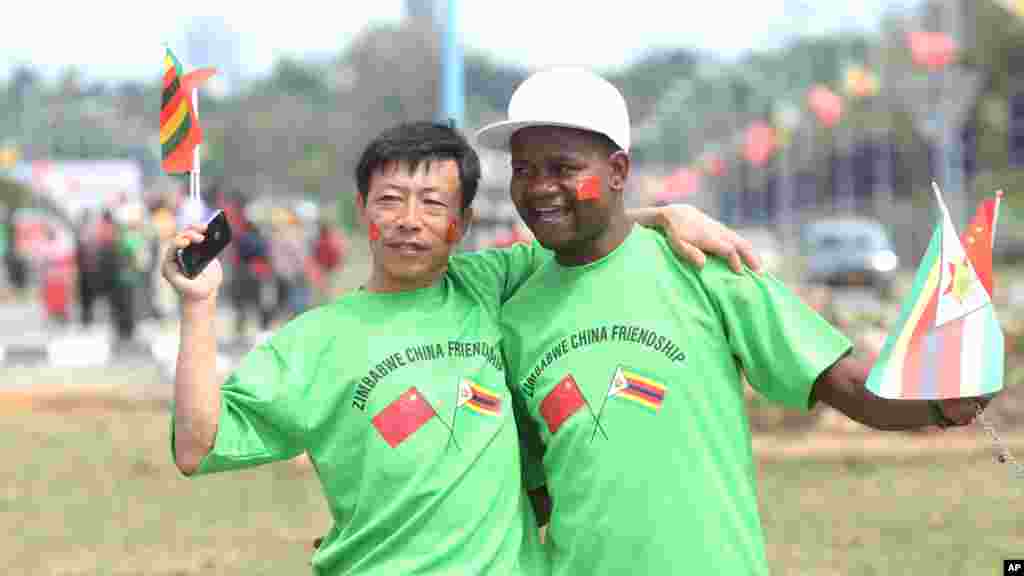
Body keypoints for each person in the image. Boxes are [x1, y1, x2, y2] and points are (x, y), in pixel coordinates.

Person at [163, 121, 762, 575]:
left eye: (433, 204)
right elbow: (197, 445)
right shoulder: (316, 341)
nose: (409, 221)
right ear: (362, 212)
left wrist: (664, 214)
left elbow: (591, 230)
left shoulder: (492, 285)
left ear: (463, 223)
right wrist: (198, 306)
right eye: (390, 200)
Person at [477, 67, 998, 576]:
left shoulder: (704, 267)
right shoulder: (516, 318)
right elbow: (531, 490)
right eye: (524, 170)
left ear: (617, 171)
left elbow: (845, 384)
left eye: (563, 168)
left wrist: (938, 404)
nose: (540, 187)